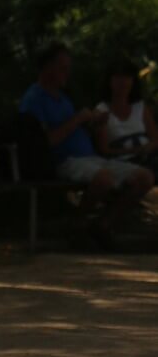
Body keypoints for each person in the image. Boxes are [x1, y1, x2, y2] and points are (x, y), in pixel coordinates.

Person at [19, 42, 153, 235]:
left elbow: (76, 129)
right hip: (66, 161)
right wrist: (77, 119)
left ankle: (104, 225)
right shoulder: (34, 100)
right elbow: (43, 142)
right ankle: (76, 223)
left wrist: (93, 124)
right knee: (104, 179)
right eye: (62, 68)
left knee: (144, 177)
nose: (67, 73)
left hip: (91, 159)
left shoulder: (62, 98)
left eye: (68, 68)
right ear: (48, 68)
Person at [95, 58, 158, 177]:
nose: (123, 82)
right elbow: (104, 150)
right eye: (118, 77)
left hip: (150, 158)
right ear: (110, 81)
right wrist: (133, 151)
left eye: (127, 77)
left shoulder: (140, 107)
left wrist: (148, 148)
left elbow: (155, 139)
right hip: (122, 163)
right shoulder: (102, 110)